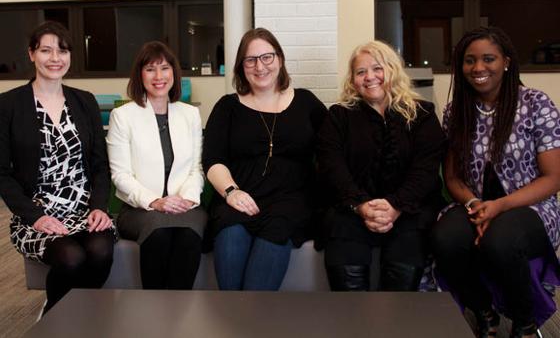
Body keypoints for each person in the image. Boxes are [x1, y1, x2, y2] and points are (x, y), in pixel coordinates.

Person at [430, 26, 560, 338]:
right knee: (444, 239)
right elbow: (452, 177)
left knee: (499, 241)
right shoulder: (456, 111)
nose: (478, 68)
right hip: (474, 203)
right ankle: (483, 310)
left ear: (506, 62)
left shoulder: (535, 104)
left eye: (488, 59)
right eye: (469, 60)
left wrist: (499, 206)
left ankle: (525, 322)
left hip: (532, 206)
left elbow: (554, 178)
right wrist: (475, 204)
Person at [0, 21, 115, 314]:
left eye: (62, 51)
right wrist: (35, 217)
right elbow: (2, 174)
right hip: (37, 215)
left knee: (101, 251)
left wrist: (100, 206)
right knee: (71, 257)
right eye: (46, 50)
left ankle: (85, 314)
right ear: (31, 54)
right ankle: (55, 314)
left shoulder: (84, 101)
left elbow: (100, 165)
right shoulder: (9, 105)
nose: (55, 58)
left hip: (84, 210)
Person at [202, 27, 327, 290]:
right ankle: (234, 326)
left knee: (274, 239)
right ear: (241, 66)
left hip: (290, 204)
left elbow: (334, 150)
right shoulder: (227, 107)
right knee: (230, 235)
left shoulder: (307, 103)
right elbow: (213, 159)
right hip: (238, 200)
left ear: (279, 59)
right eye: (251, 60)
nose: (260, 67)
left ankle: (252, 326)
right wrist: (231, 192)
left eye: (267, 57)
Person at [316, 40, 445, 292]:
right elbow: (332, 167)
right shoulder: (338, 116)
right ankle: (354, 326)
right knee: (341, 233)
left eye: (377, 68)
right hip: (352, 208)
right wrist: (362, 206)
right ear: (353, 80)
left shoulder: (423, 114)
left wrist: (395, 205)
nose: (369, 77)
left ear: (392, 70)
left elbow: (426, 170)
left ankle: (393, 327)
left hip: (408, 209)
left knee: (410, 239)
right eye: (360, 72)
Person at [106, 41, 206, 290]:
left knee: (189, 234)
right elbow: (120, 175)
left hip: (185, 205)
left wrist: (186, 199)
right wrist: (155, 202)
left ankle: (179, 314)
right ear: (140, 75)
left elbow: (197, 169)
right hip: (139, 208)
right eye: (150, 69)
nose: (159, 76)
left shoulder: (189, 114)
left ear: (174, 72)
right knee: (159, 231)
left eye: (164, 68)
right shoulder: (123, 116)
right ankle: (153, 312)